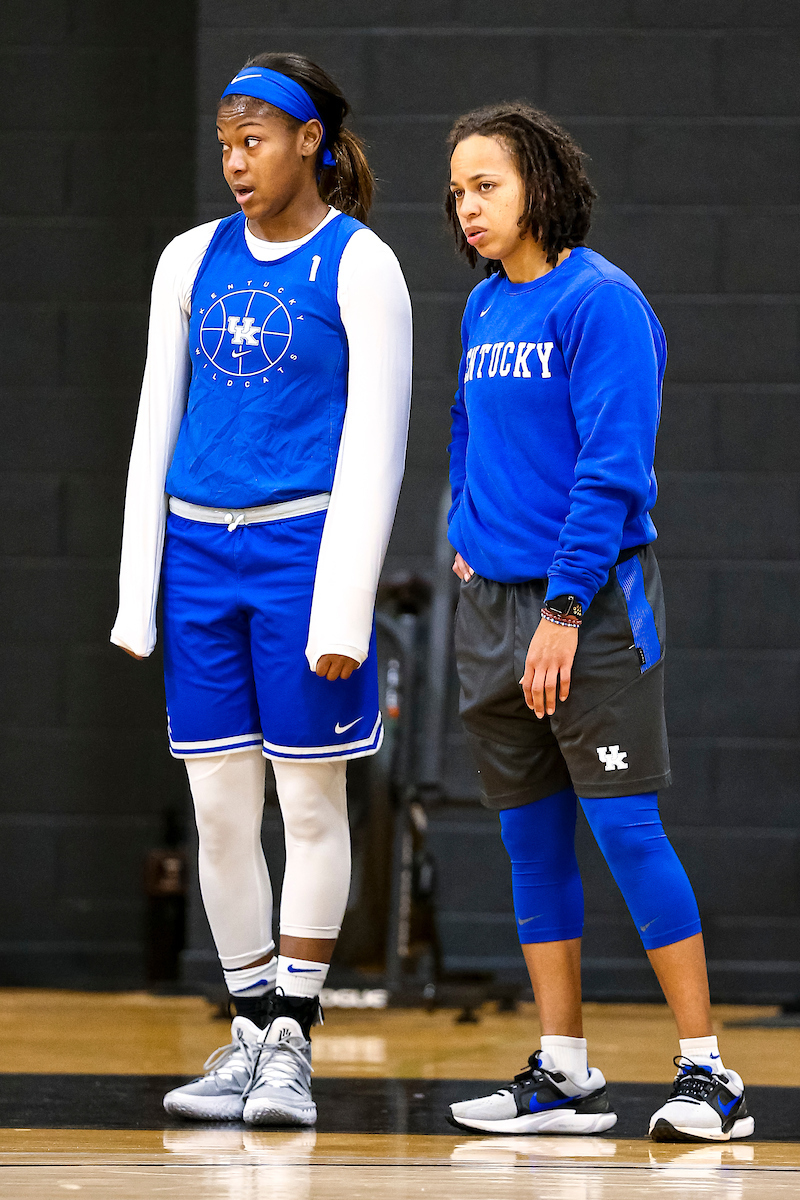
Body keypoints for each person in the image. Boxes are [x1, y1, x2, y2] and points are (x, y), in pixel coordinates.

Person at [110, 52, 411, 1126]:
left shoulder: (359, 264)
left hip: (300, 551)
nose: (236, 162)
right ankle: (245, 1032)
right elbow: (156, 426)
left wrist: (341, 606)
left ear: (311, 142)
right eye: (225, 143)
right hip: (198, 554)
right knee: (218, 810)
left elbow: (378, 444)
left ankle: (294, 1034)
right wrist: (136, 590)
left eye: (257, 140)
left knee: (310, 800)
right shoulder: (188, 260)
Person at [443, 102, 752, 1143]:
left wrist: (563, 606)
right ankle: (562, 1074)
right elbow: (463, 428)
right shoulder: (483, 306)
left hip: (585, 607)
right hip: (491, 606)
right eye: (454, 192)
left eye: (484, 184)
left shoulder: (599, 302)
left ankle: (707, 1072)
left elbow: (611, 470)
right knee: (530, 840)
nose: (467, 207)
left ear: (536, 180)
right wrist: (462, 525)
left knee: (622, 826)